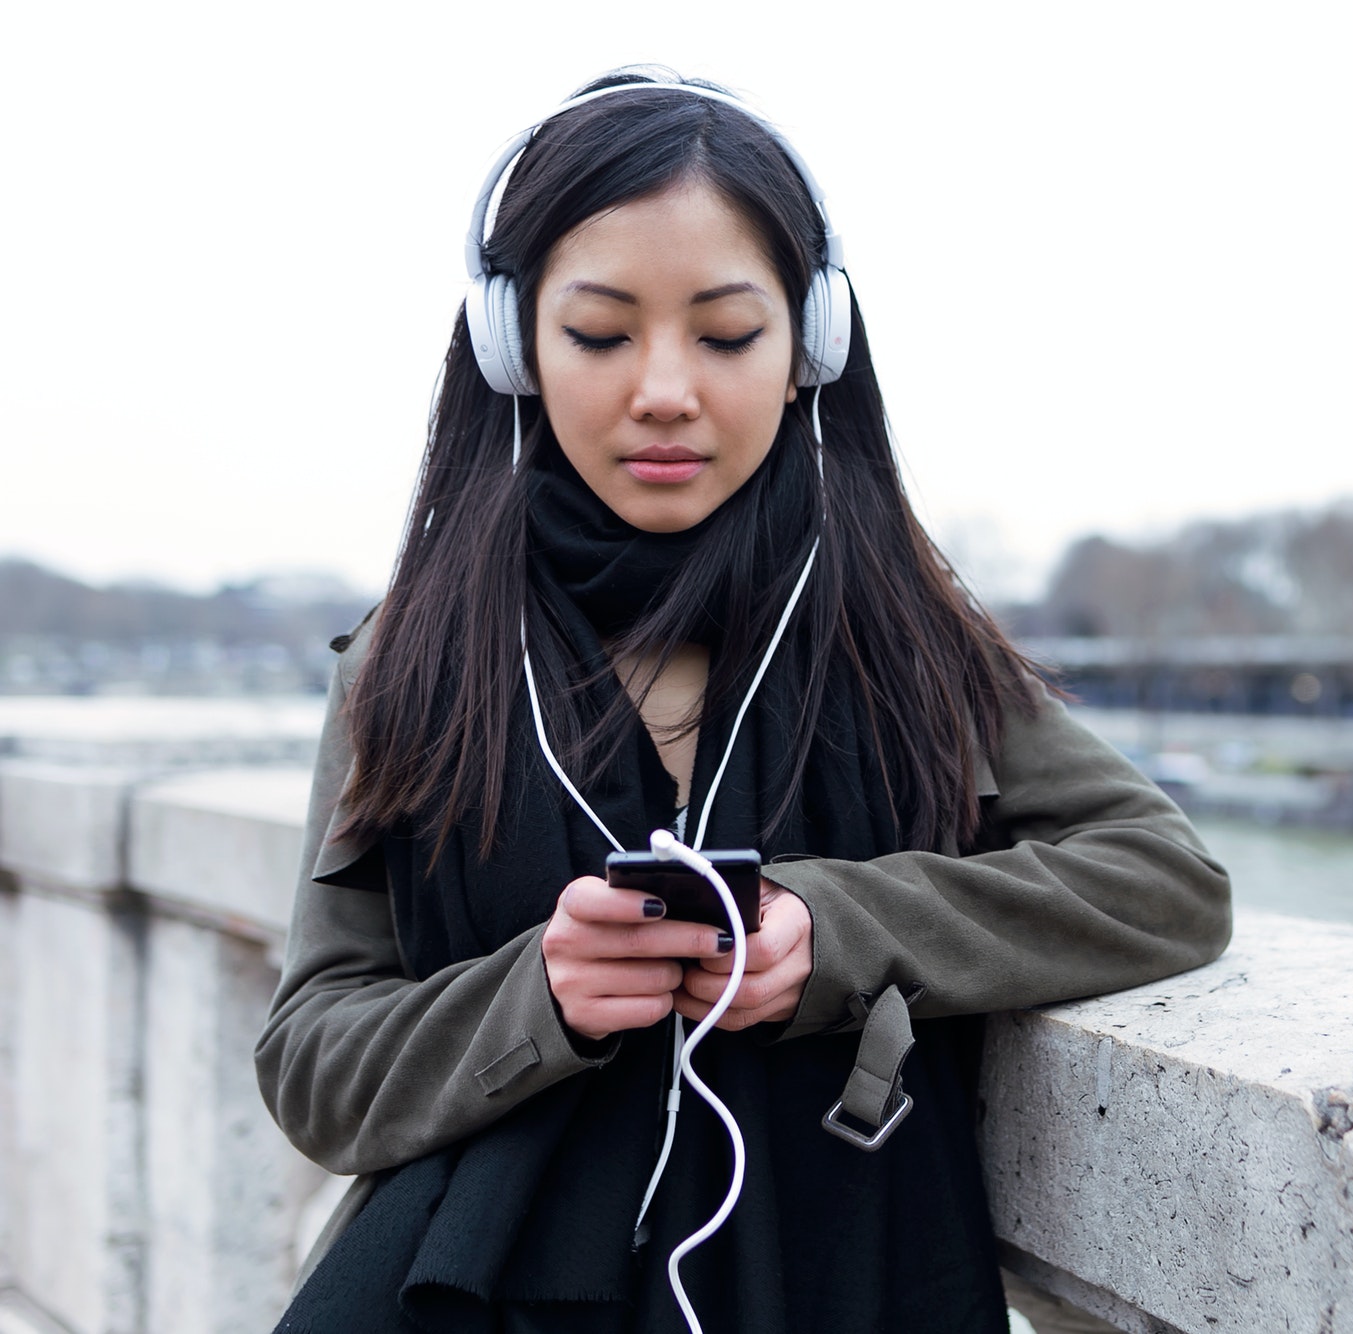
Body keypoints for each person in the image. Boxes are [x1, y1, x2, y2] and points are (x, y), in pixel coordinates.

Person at [256, 66, 1230, 1334]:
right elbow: (314, 1065)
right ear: (511, 346)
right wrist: (537, 993)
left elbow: (1162, 878)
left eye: (725, 335)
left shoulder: (898, 630)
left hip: (844, 1277)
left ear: (808, 343)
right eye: (599, 334)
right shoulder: (408, 659)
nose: (664, 389)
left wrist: (828, 931)